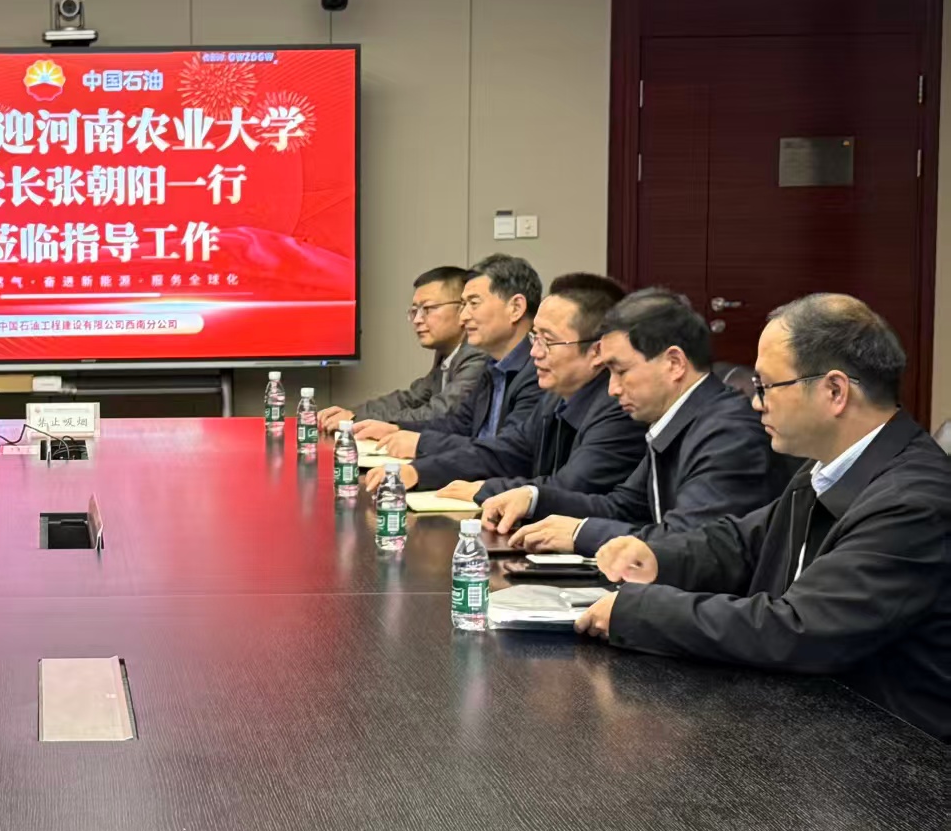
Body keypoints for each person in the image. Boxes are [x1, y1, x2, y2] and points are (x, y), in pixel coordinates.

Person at [576, 295, 951, 740]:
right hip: (816, 722)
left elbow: (800, 629)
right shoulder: (825, 469)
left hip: (896, 754)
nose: (756, 404)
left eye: (767, 386)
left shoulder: (914, 501)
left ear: (835, 391)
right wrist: (658, 557)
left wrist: (641, 611)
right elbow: (744, 542)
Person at [484, 288, 783, 554]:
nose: (612, 389)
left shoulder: (728, 434)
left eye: (621, 371)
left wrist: (580, 534)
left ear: (674, 363)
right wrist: (534, 499)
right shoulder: (678, 420)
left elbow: (688, 541)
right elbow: (623, 507)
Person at [371, 273, 644, 500]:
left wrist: (486, 490)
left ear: (597, 352)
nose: (534, 352)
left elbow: (570, 487)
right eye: (534, 338)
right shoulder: (555, 396)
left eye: (548, 341)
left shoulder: (619, 408)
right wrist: (420, 472)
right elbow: (506, 452)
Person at [358, 254, 544, 461]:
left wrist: (421, 445)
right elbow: (458, 424)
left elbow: (507, 452)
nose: (463, 317)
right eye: (463, 305)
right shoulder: (492, 367)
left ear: (516, 308)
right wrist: (396, 428)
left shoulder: (540, 372)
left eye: (474, 303)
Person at [318, 266, 487, 434]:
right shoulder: (447, 354)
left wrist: (357, 420)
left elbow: (441, 413)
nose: (417, 320)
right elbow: (411, 399)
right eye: (414, 311)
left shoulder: (477, 353)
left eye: (428, 309)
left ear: (462, 308)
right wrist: (353, 414)